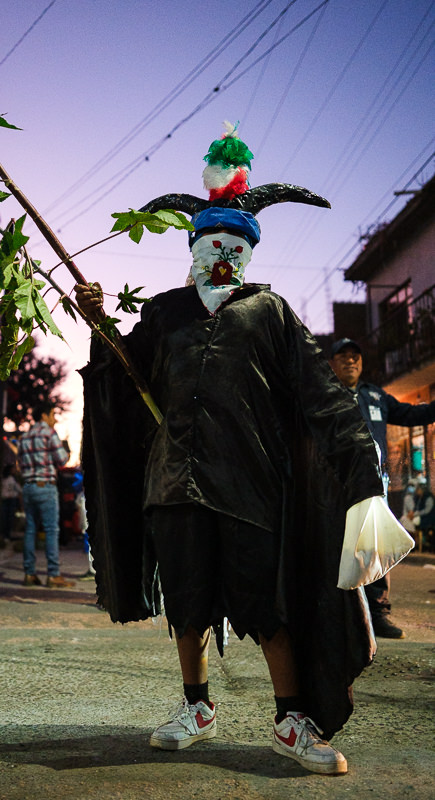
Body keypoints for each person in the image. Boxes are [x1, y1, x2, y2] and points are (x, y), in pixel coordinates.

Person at [75, 124, 401, 776]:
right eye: (209, 241)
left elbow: (322, 400)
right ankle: (195, 705)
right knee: (186, 603)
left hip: (247, 482)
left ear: (246, 252)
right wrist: (99, 322)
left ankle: (290, 721)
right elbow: (120, 375)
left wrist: (363, 481)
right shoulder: (164, 314)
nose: (220, 252)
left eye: (232, 243)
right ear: (192, 246)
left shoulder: (270, 313)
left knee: (265, 604)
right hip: (171, 482)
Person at [329, 337, 435, 637]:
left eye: (355, 356)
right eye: (343, 356)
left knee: (375, 547)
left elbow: (412, 414)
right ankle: (337, 616)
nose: (350, 361)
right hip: (335, 484)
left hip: (375, 484)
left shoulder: (375, 395)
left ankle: (378, 614)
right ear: (332, 363)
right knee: (337, 545)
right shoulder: (322, 394)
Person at [17, 401, 74, 587]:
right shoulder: (49, 433)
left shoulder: (24, 437)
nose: (54, 419)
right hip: (46, 486)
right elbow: (62, 460)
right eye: (52, 415)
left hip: (28, 487)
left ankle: (29, 573)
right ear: (43, 415)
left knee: (30, 529)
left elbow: (21, 465)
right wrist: (67, 451)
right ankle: (53, 575)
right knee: (51, 530)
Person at [0, 463, 21, 544]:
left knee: (10, 518)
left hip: (12, 499)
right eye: (13, 469)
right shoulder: (3, 479)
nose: (14, 471)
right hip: (5, 499)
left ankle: (7, 535)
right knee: (4, 517)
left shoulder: (13, 479)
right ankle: (5, 535)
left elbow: (18, 490)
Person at [412, 482, 435, 551]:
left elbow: (427, 510)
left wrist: (416, 514)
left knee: (413, 522)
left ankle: (418, 543)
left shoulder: (428, 497)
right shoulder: (419, 498)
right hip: (420, 516)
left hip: (428, 518)